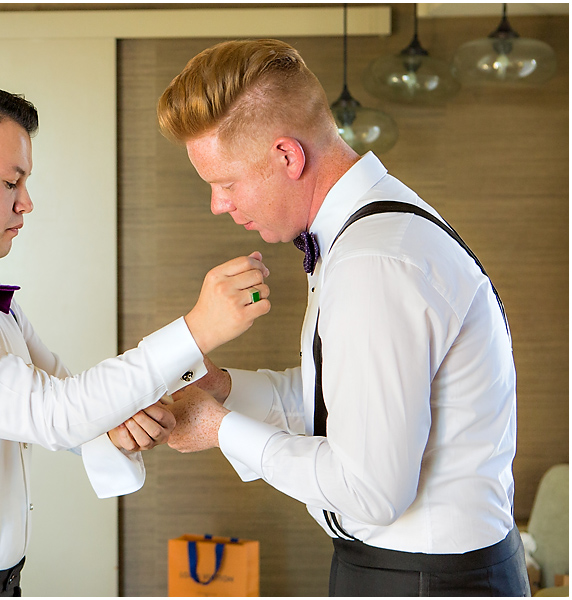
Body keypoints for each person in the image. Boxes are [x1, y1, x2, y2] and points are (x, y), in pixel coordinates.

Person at [0, 79, 271, 597]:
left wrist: (118, 423)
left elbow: (65, 394)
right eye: (12, 182)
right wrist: (198, 330)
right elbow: (53, 412)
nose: (27, 203)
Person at [158, 40, 528, 596]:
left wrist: (222, 430)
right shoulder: (365, 236)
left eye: (226, 183)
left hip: (424, 580)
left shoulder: (375, 261)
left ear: (288, 156)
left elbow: (371, 490)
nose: (217, 204)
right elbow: (347, 402)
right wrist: (226, 390)